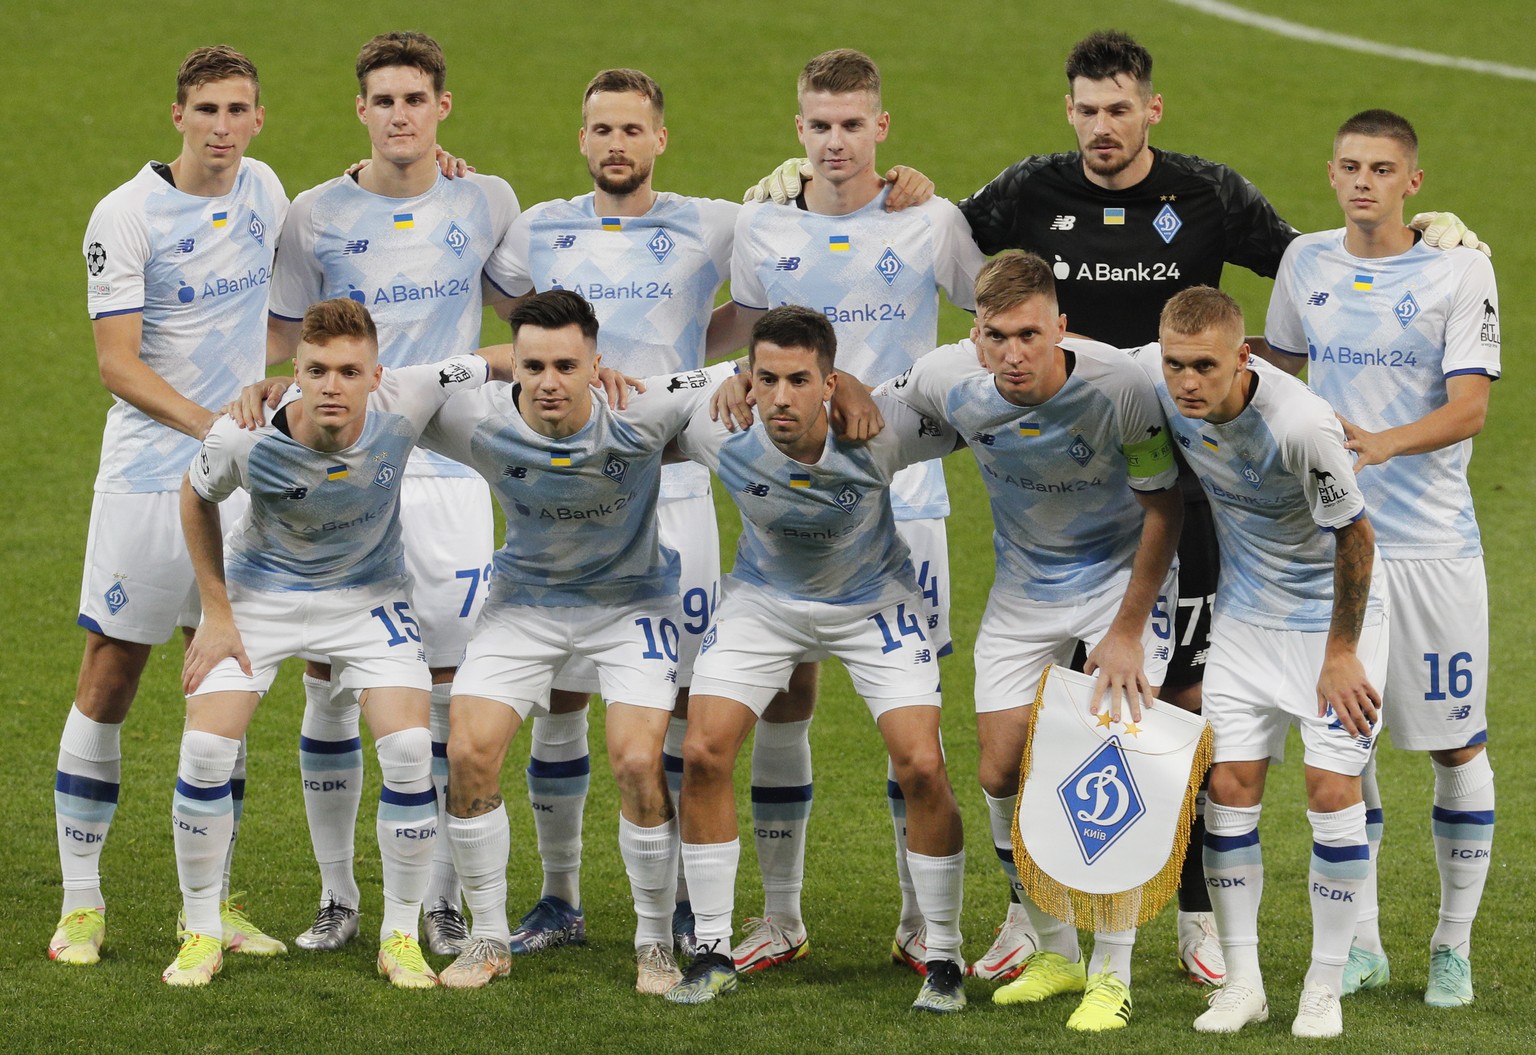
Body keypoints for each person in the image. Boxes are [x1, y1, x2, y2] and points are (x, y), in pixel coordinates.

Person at [748, 31, 1481, 983]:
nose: (1103, 126)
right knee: (1016, 748)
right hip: (1049, 498)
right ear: (1071, 112)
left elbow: (1314, 262)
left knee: (1184, 714)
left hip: (1190, 482)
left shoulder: (1209, 193)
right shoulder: (1028, 194)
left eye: (1120, 108)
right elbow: (918, 227)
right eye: (1088, 109)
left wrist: (1424, 240)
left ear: (1151, 109)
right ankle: (1033, 916)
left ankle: (1193, 920)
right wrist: (802, 192)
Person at [727, 48, 988, 980]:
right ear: (798, 130)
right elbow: (747, 341)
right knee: (784, 698)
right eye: (819, 124)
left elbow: (992, 308)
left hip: (906, 505)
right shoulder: (760, 227)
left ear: (882, 127)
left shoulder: (930, 219)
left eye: (852, 124)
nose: (836, 141)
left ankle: (923, 921)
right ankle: (781, 914)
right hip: (787, 508)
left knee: (909, 725)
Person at [876, 250, 1181, 1030]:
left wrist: (1124, 633)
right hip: (1022, 595)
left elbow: (1165, 510)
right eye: (996, 336)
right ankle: (1055, 948)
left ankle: (1112, 975)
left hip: (1119, 586)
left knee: (1108, 773)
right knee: (1001, 769)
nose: (1013, 354)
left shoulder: (1121, 387)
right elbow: (865, 406)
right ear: (974, 336)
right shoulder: (950, 378)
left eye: (1030, 336)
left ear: (1061, 329)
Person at [267, 30, 521, 955]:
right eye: (384, 100)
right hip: (341, 477)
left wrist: (454, 374)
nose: (401, 114)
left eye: (416, 98)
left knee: (450, 693)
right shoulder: (313, 213)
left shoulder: (486, 198)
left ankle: (445, 897)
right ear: (361, 111)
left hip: (451, 478)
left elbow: (528, 324)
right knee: (330, 683)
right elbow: (282, 338)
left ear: (441, 108)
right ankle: (339, 896)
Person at [481, 68, 743, 957]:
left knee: (675, 708)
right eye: (602, 130)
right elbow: (514, 311)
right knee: (557, 696)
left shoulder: (713, 224)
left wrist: (675, 382)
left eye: (633, 129)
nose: (617, 144)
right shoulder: (537, 228)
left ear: (659, 139)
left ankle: (673, 903)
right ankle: (559, 899)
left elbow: (769, 282)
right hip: (566, 499)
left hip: (673, 496)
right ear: (582, 138)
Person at [168, 297, 493, 987]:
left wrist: (597, 370)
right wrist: (217, 611)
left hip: (369, 597)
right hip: (264, 596)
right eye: (317, 370)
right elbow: (194, 497)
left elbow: (494, 359)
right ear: (295, 371)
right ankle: (201, 928)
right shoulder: (244, 435)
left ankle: (399, 935)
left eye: (349, 371)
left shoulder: (410, 395)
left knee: (409, 750)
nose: (332, 386)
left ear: (378, 375)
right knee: (204, 749)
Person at [418, 290, 734, 995]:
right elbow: (389, 389)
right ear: (514, 367)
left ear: (598, 363)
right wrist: (279, 388)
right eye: (533, 365)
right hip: (523, 607)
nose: (550, 380)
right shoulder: (481, 420)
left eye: (567, 364)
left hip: (630, 607)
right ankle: (488, 935)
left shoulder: (641, 408)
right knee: (467, 752)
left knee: (634, 759)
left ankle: (654, 943)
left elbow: (741, 370)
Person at [52, 44, 288, 968]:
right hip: (151, 475)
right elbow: (116, 364)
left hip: (237, 481)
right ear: (178, 115)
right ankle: (81, 904)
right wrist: (212, 428)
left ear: (258, 120)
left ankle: (213, 902)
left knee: (225, 681)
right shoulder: (125, 215)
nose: (223, 128)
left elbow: (354, 199)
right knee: (111, 672)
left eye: (239, 111)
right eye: (208, 111)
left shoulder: (266, 187)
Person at [664, 305, 968, 1013]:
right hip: (763, 601)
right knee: (705, 752)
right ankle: (711, 948)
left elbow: (969, 394)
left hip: (873, 603)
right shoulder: (717, 422)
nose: (779, 396)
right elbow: (630, 400)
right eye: (765, 377)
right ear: (747, 376)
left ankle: (943, 952)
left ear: (829, 382)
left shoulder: (880, 425)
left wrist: (864, 384)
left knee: (922, 762)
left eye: (799, 379)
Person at [1265, 109, 1498, 1008]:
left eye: (1383, 168)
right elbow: (1279, 374)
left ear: (1414, 182)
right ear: (1331, 174)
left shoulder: (1459, 267)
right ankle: (1361, 943)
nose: (1365, 181)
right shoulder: (1305, 263)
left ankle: (1453, 943)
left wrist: (1382, 445)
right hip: (1336, 544)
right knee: (1344, 748)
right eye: (1351, 166)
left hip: (1434, 547)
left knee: (1454, 743)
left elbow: (1469, 408)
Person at [1142, 286, 1387, 1039]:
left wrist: (1341, 651)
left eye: (1204, 367)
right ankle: (1243, 983)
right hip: (1246, 619)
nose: (1187, 382)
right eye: (1175, 364)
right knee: (1230, 787)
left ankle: (1323, 986)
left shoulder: (1300, 425)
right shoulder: (1159, 387)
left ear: (1242, 358)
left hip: (1332, 620)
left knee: (1330, 787)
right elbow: (1068, 352)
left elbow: (1358, 537)